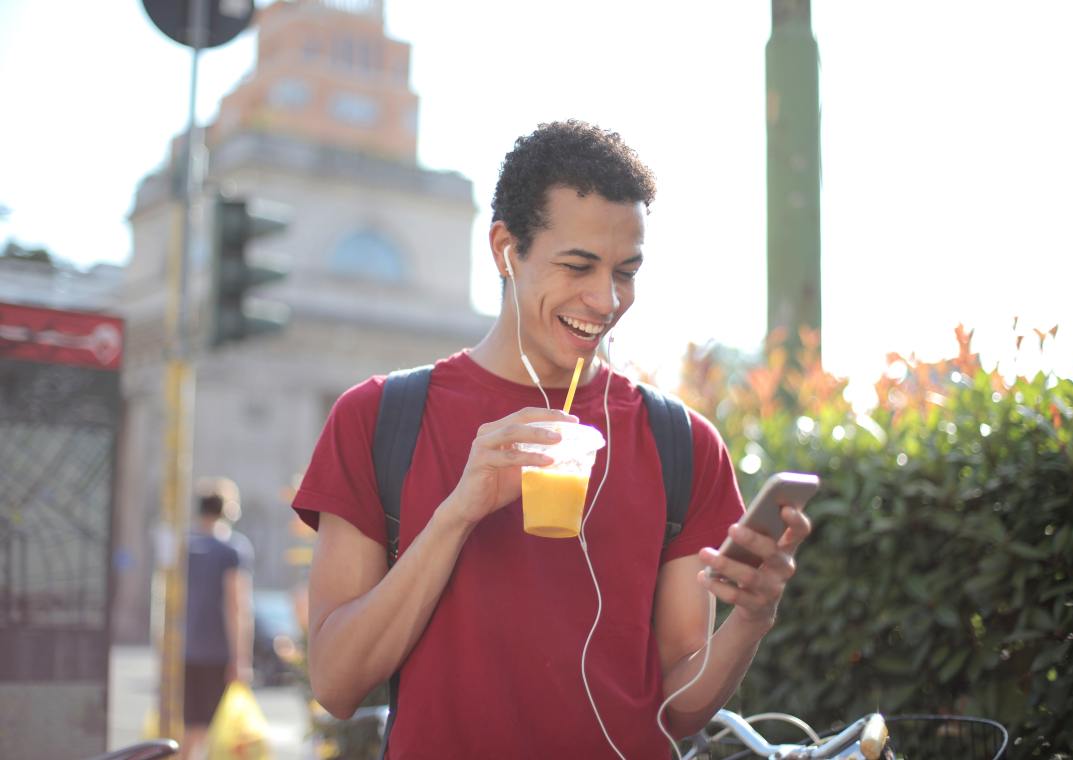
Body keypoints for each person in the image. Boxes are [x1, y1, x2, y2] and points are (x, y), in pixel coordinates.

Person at [292, 120, 812, 759]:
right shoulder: (378, 419)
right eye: (578, 266)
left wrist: (753, 618)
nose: (605, 299)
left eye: (626, 271)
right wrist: (458, 513)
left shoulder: (683, 444)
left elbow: (679, 709)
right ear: (506, 249)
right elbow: (337, 684)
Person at [182, 477, 254, 760]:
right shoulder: (232, 549)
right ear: (228, 511)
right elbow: (236, 605)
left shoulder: (183, 546)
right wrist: (241, 658)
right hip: (217, 651)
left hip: (184, 648)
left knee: (188, 727)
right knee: (217, 731)